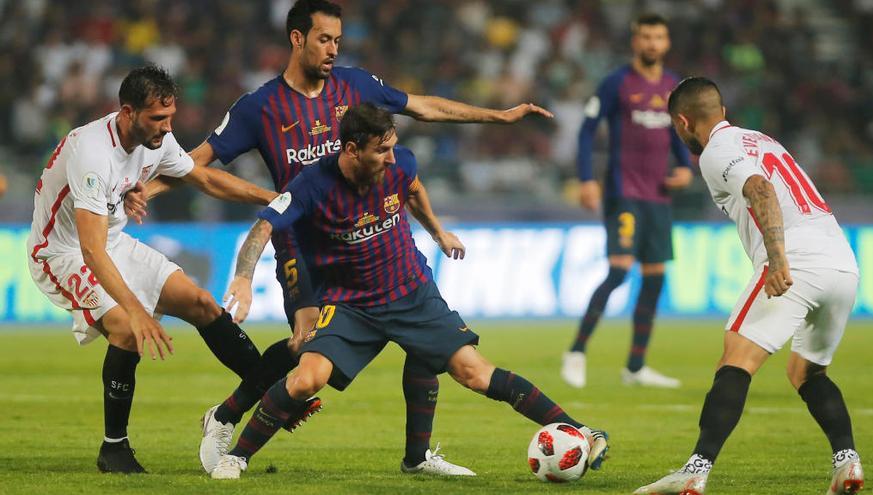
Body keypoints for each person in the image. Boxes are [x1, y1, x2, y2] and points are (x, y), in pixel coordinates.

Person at [126, 0, 554, 475]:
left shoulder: (355, 85)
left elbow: (422, 107)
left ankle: (417, 456)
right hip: (302, 246)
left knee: (419, 334)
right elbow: (196, 159)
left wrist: (499, 116)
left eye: (338, 41)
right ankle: (226, 415)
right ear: (297, 39)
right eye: (324, 39)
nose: (333, 50)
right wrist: (148, 188)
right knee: (304, 344)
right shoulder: (259, 107)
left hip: (365, 243)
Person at [205, 103, 609, 480]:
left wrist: (436, 231)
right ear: (351, 149)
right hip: (350, 304)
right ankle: (236, 457)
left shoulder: (401, 165)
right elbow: (263, 228)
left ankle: (582, 431)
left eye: (393, 147)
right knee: (308, 379)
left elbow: (413, 189)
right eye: (382, 150)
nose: (392, 158)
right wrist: (243, 275)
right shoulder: (311, 185)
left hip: (411, 290)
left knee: (474, 371)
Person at [25, 65, 281, 473]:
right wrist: (138, 311)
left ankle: (272, 393)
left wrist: (277, 199)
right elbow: (90, 250)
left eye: (170, 118)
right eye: (157, 119)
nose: (166, 127)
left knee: (200, 302)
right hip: (61, 252)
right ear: (128, 113)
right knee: (127, 327)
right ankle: (114, 448)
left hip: (112, 240)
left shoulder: (156, 140)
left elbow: (206, 180)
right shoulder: (91, 153)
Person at [634, 77, 863, 495]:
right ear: (721, 111)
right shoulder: (760, 139)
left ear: (684, 122)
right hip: (843, 262)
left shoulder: (716, 151)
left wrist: (777, 259)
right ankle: (847, 462)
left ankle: (695, 471)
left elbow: (760, 188)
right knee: (806, 372)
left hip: (798, 261)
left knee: (735, 361)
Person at [561, 13, 693, 389]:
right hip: (624, 191)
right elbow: (587, 131)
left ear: (666, 43)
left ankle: (635, 366)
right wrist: (587, 179)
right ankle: (576, 351)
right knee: (619, 271)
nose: (652, 43)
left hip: (659, 196)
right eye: (646, 36)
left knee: (655, 279)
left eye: (659, 37)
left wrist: (685, 167)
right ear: (635, 42)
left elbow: (681, 133)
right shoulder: (616, 82)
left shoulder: (672, 85)